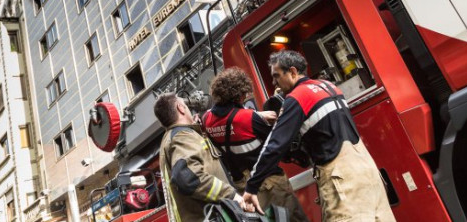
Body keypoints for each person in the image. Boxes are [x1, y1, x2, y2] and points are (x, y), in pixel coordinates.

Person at [243, 50, 395, 222]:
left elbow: (275, 145)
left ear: (293, 72)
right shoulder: (329, 86)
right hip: (367, 169)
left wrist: (252, 186)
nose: (274, 82)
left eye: (276, 76)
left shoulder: (297, 97)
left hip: (342, 180)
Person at [202, 67, 310, 222]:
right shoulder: (248, 118)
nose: (245, 97)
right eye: (244, 95)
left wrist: (257, 115)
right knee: (294, 218)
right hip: (269, 183)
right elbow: (279, 144)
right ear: (238, 95)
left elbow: (227, 120)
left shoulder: (207, 120)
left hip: (242, 187)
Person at [154, 93, 241, 222]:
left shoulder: (173, 138)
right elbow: (188, 178)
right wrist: (231, 195)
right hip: (210, 217)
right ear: (180, 108)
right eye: (186, 106)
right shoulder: (182, 137)